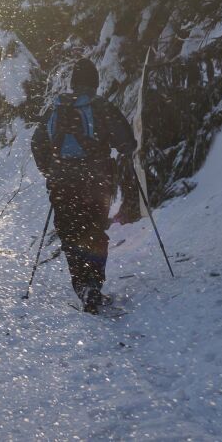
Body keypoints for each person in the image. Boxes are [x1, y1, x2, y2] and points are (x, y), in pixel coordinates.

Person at [30, 57, 143, 313]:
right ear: (94, 82)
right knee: (93, 231)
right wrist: (124, 149)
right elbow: (126, 141)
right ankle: (93, 285)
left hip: (61, 183)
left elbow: (37, 144)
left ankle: (82, 287)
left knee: (71, 234)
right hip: (95, 182)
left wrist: (50, 169)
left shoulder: (55, 110)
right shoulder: (100, 107)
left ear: (72, 83)